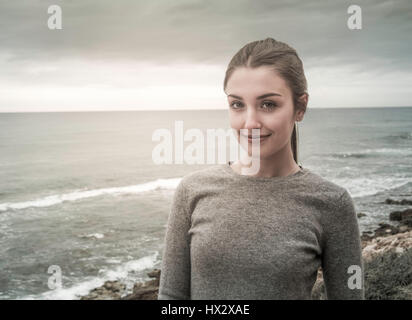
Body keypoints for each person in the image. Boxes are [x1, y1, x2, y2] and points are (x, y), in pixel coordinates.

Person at [158, 38, 365, 300]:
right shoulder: (192, 191)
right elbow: (170, 298)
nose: (250, 122)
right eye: (237, 104)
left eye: (268, 104)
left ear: (300, 107)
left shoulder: (333, 203)